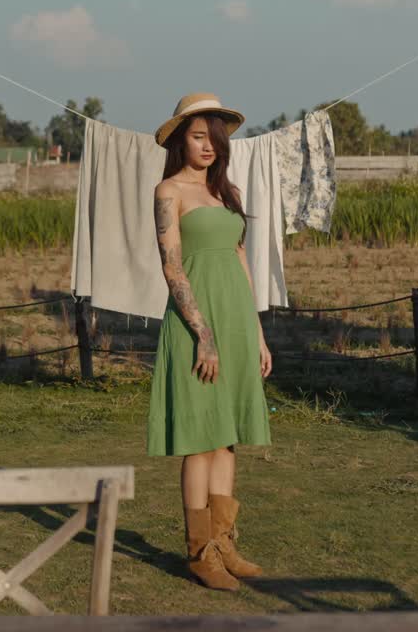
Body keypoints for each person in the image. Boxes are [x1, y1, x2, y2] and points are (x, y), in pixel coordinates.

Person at [147, 92, 273, 591]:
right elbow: (172, 266)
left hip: (237, 321)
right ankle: (200, 553)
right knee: (199, 441)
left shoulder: (226, 192)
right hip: (195, 325)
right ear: (181, 139)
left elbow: (241, 261)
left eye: (214, 138)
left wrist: (258, 333)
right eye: (199, 137)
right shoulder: (168, 191)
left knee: (227, 438)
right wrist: (203, 334)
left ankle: (224, 544)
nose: (208, 146)